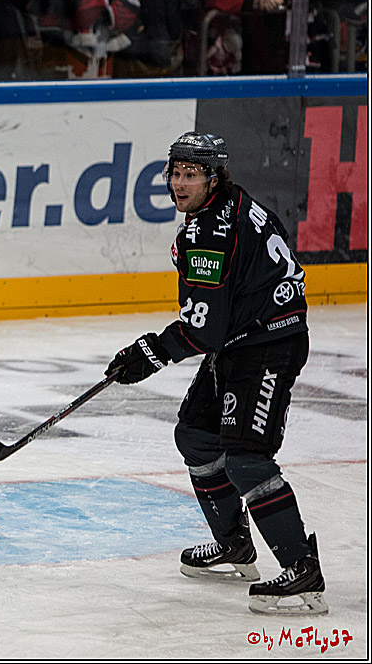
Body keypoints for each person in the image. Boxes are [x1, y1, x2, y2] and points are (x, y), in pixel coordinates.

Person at [106, 132, 327, 615]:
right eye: (175, 173)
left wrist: (147, 353)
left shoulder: (209, 231)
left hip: (268, 343)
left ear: (213, 176)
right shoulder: (224, 205)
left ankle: (302, 571)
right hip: (242, 337)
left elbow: (203, 331)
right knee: (197, 437)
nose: (180, 184)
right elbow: (215, 325)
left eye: (191, 174)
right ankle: (235, 547)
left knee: (247, 458)